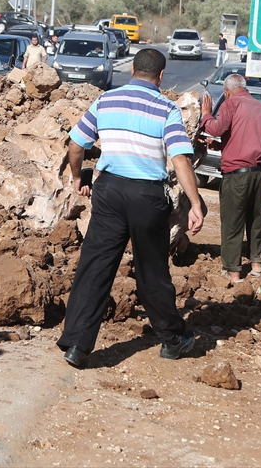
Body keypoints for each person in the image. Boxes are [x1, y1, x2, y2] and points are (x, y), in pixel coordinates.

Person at [57, 48, 205, 368]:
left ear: (132, 70)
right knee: (152, 270)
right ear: (161, 76)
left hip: (108, 190)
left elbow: (76, 144)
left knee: (95, 265)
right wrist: (194, 203)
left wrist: (75, 179)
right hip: (146, 195)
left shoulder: (106, 100)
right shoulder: (166, 109)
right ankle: (171, 339)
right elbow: (179, 159)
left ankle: (76, 345)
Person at [200, 74, 261, 281]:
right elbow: (250, 139)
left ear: (227, 91)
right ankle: (257, 265)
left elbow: (215, 128)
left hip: (238, 175)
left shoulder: (230, 104)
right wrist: (223, 146)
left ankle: (234, 272)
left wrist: (206, 114)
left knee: (233, 222)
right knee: (255, 219)